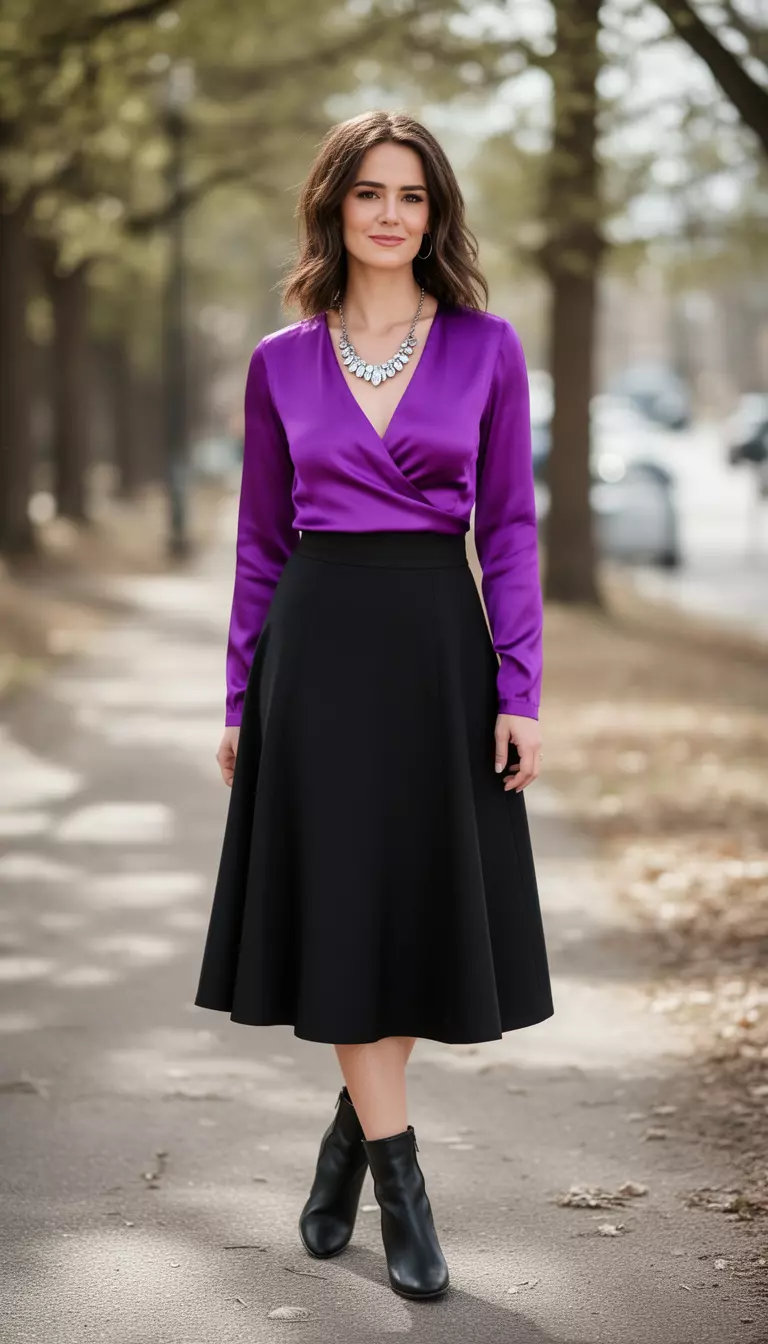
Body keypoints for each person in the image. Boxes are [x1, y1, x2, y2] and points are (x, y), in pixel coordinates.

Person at [194, 109, 553, 1303]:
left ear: (435, 214)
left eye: (412, 195)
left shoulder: (489, 348)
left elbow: (505, 528)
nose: (391, 214)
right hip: (319, 644)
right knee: (346, 897)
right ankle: (401, 1176)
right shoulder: (279, 361)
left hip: (437, 648)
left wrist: (522, 688)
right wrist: (242, 693)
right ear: (334, 209)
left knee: (408, 897)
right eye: (369, 194)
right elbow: (257, 540)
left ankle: (352, 1132)